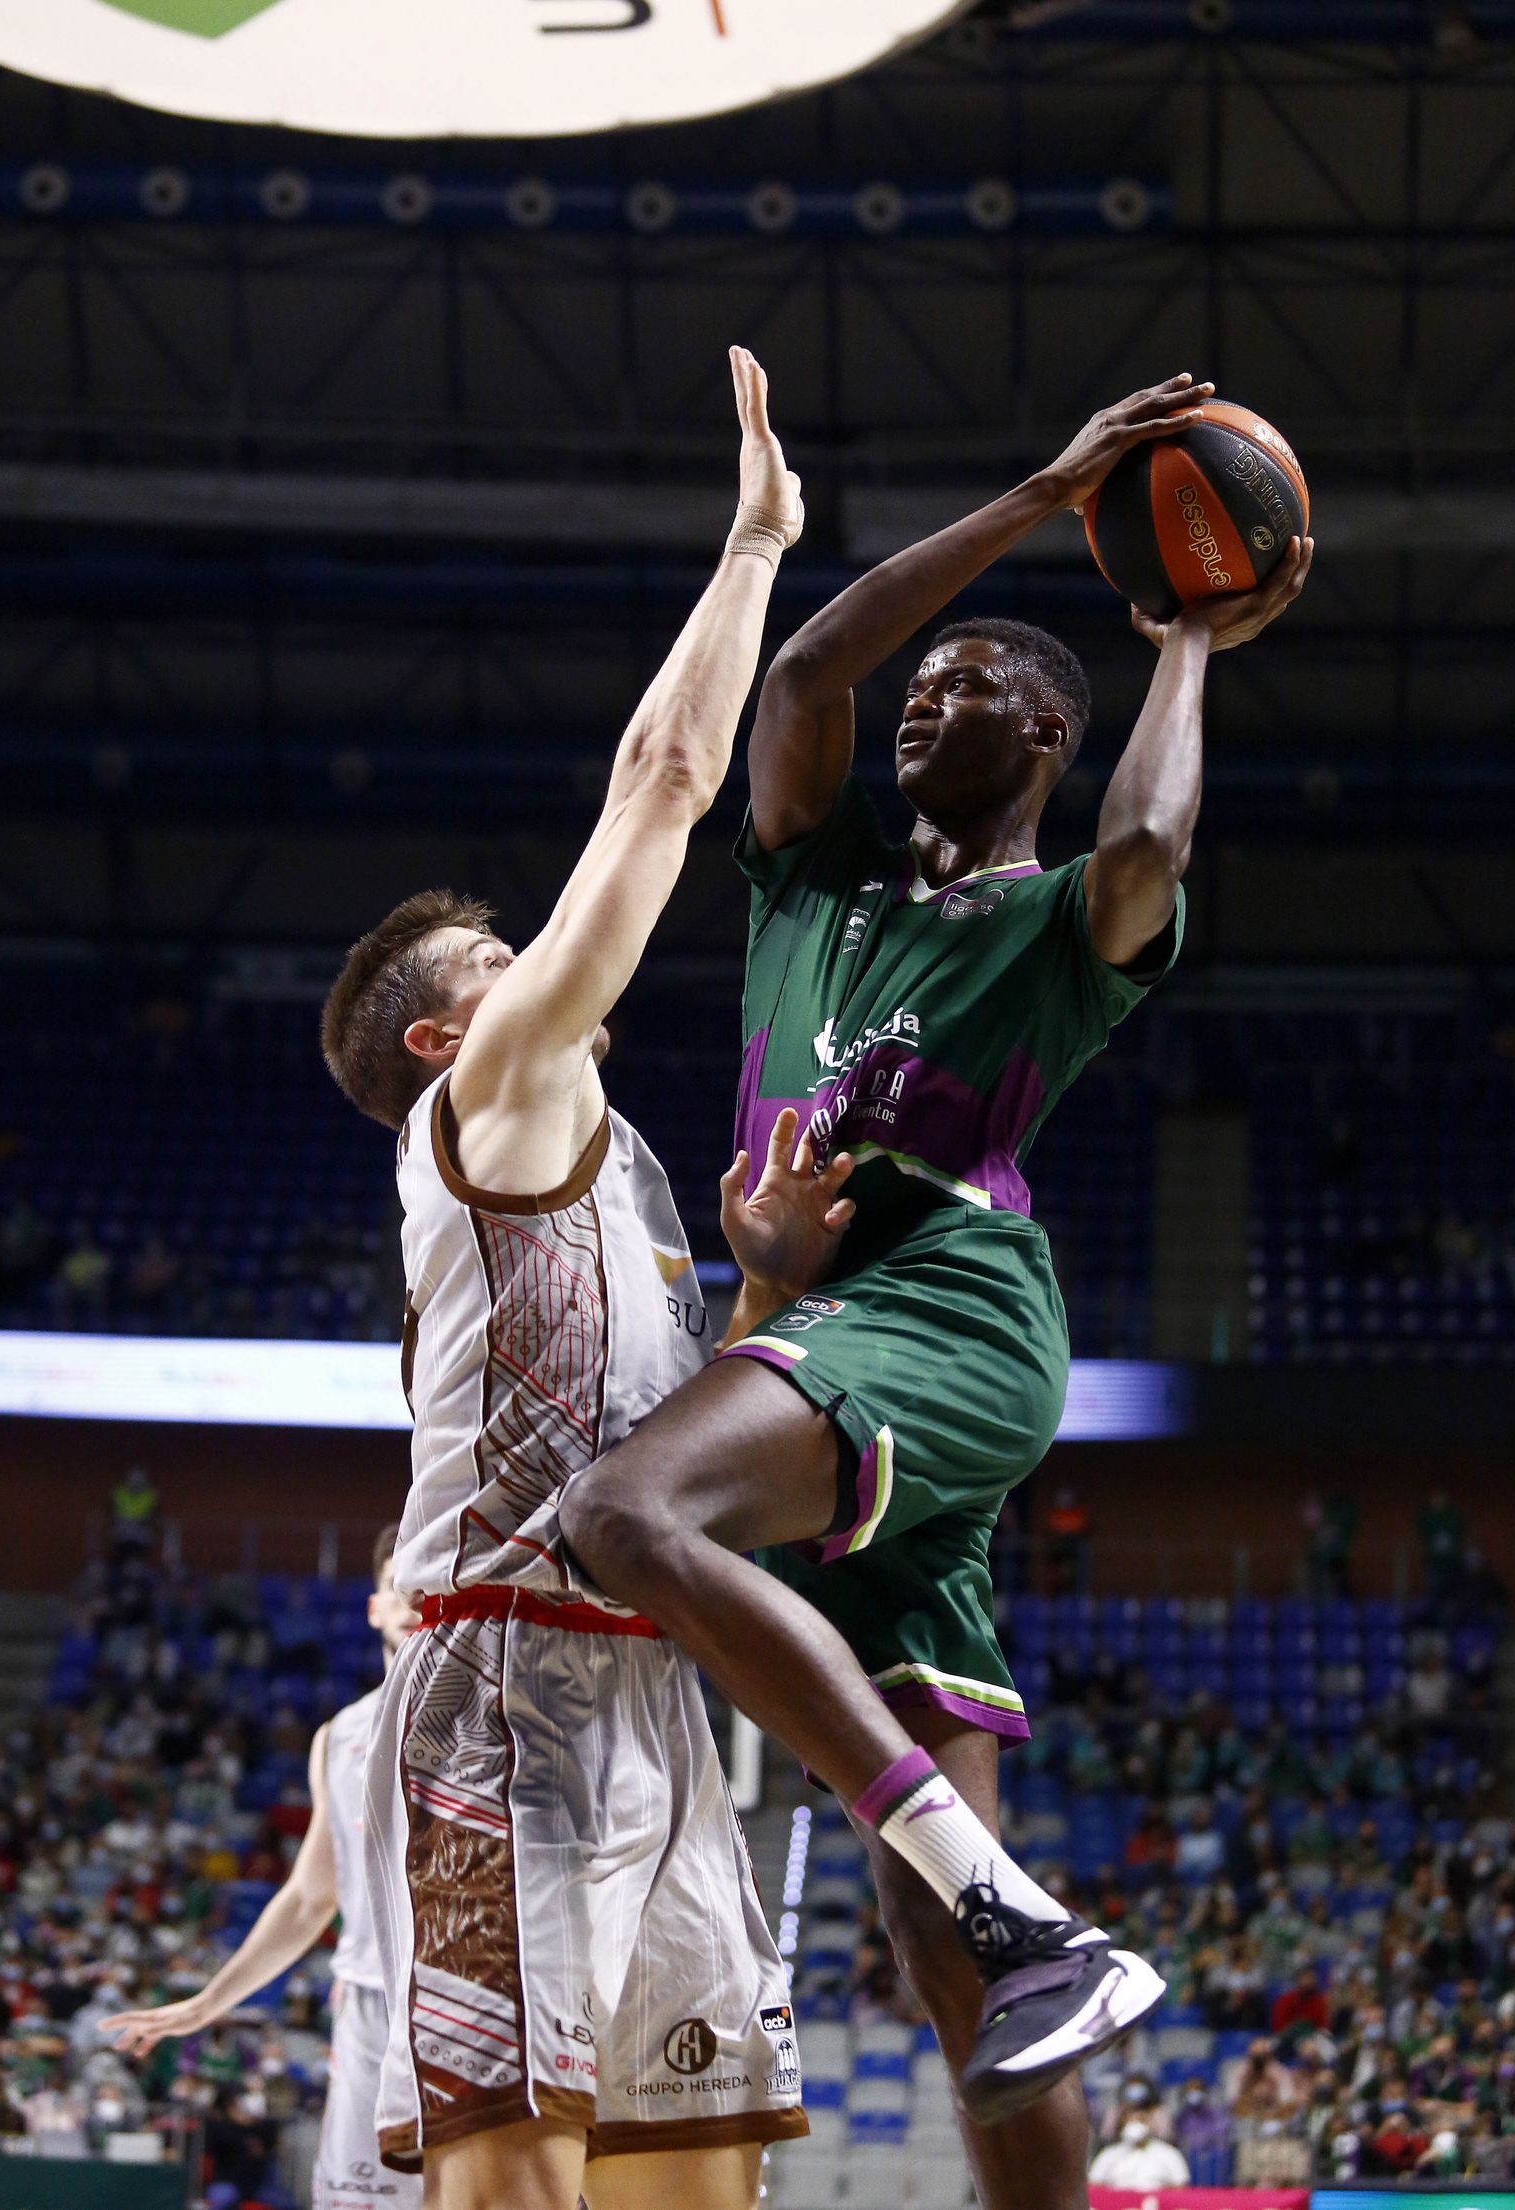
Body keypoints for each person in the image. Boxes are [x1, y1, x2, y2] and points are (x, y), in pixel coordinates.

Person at [558, 372, 1312, 2190]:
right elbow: (806, 677)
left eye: (974, 691)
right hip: (817, 1323)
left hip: (943, 1308)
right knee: (942, 1959)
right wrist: (1038, 495)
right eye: (931, 687)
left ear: (1047, 734)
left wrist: (1192, 638)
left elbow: (1144, 851)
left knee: (624, 1511)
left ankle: (1016, 1906)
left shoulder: (1061, 927)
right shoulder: (809, 882)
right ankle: (1006, 1927)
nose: (927, 708)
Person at [318, 351, 822, 2210]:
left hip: (654, 1701)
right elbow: (667, 781)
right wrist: (756, 546)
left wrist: (760, 1300)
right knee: (513, 2184)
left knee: (696, 2184)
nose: (551, 956)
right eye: (510, 956)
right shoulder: (495, 1107)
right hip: (497, 1703)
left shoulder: (634, 1185)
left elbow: (671, 1470)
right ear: (461, 1033)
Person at [99, 1525, 423, 2210]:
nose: (415, 1594)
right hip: (370, 2008)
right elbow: (310, 1900)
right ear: (374, 1606)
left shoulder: (510, 1713)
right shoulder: (339, 1738)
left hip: (487, 2000)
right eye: (400, 1581)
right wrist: (207, 2002)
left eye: (432, 1576)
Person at [1088, 2114, 1190, 2190]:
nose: (1135, 2125)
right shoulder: (1109, 2153)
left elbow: (1180, 2185)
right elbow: (1094, 2184)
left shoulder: (1169, 2153)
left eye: (1140, 2121)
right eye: (1130, 2121)